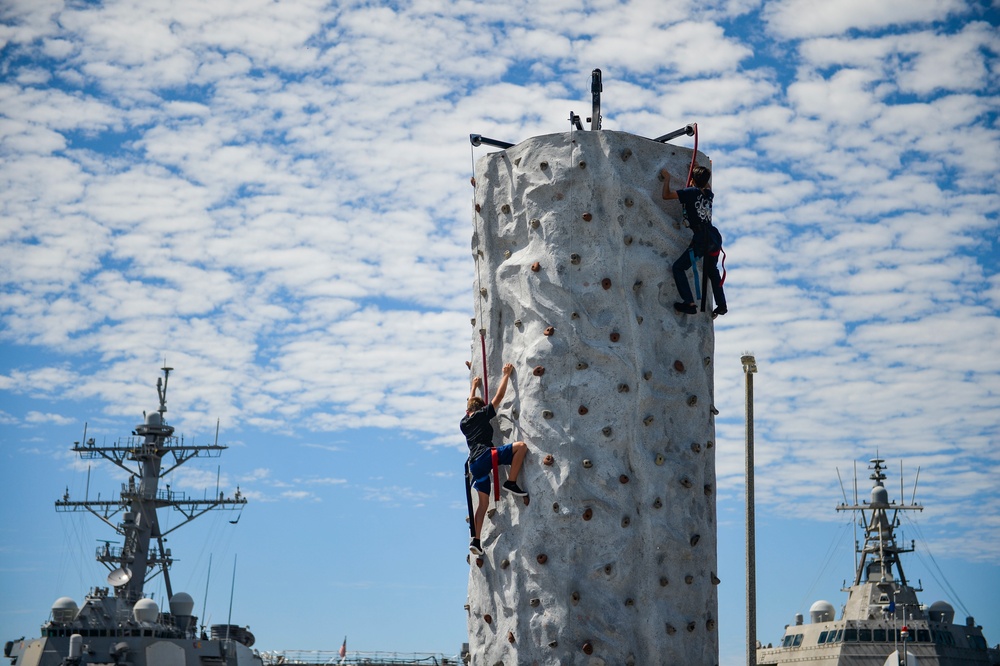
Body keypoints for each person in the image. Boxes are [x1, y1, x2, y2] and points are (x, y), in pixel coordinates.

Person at [461, 362, 528, 556]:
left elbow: (469, 405)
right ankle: (512, 482)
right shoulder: (482, 414)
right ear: (480, 408)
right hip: (484, 456)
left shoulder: (464, 423)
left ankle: (475, 540)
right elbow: (498, 398)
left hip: (474, 466)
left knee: (482, 506)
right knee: (521, 447)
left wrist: (474, 386)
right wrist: (506, 374)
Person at [661, 165, 727, 318]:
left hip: (701, 238)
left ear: (692, 180)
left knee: (678, 267)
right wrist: (697, 168)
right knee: (712, 270)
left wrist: (667, 178)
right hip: (714, 238)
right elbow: (707, 184)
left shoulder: (690, 192)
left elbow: (666, 195)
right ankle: (722, 305)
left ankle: (689, 303)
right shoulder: (709, 194)